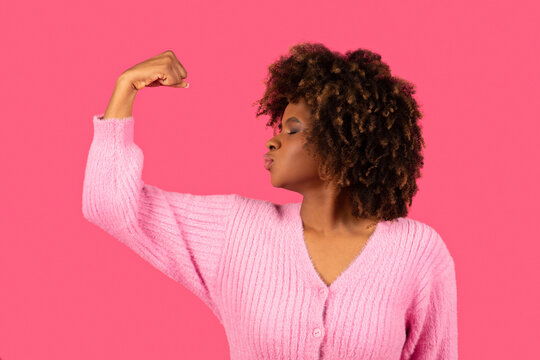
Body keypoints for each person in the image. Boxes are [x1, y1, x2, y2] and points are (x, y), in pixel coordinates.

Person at [82, 43, 458, 359]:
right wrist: (125, 88)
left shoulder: (417, 251)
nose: (273, 141)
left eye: (292, 129)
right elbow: (111, 204)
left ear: (343, 141)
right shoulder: (238, 230)